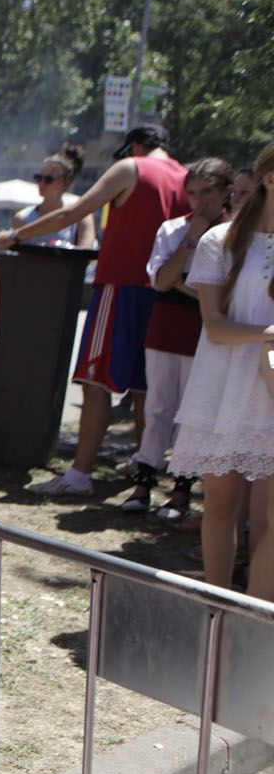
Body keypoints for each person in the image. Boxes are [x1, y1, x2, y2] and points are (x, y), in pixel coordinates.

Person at [1, 124, 190, 496]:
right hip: (165, 295)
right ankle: (142, 476)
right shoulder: (187, 178)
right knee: (145, 389)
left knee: (95, 381)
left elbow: (74, 212)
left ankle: (80, 474)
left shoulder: (130, 168)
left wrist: (18, 235)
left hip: (121, 287)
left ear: (135, 146)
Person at [168, 141, 274, 598]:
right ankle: (220, 617)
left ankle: (257, 624)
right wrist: (268, 333)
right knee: (221, 509)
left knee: (269, 521)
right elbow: (215, 327)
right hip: (226, 387)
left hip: (271, 389)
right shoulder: (220, 241)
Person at [123, 157, 234, 517]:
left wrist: (190, 287)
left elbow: (218, 293)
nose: (198, 201)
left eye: (207, 193)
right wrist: (189, 242)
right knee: (158, 407)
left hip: (204, 330)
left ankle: (181, 491)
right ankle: (143, 484)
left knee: (191, 412)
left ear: (224, 192)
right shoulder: (173, 229)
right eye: (192, 193)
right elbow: (161, 280)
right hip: (165, 326)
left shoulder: (234, 235)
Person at [11, 144, 98, 247]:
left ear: (66, 183)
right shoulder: (22, 218)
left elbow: (85, 253)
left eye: (48, 179)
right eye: (39, 177)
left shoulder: (82, 216)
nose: (41, 183)